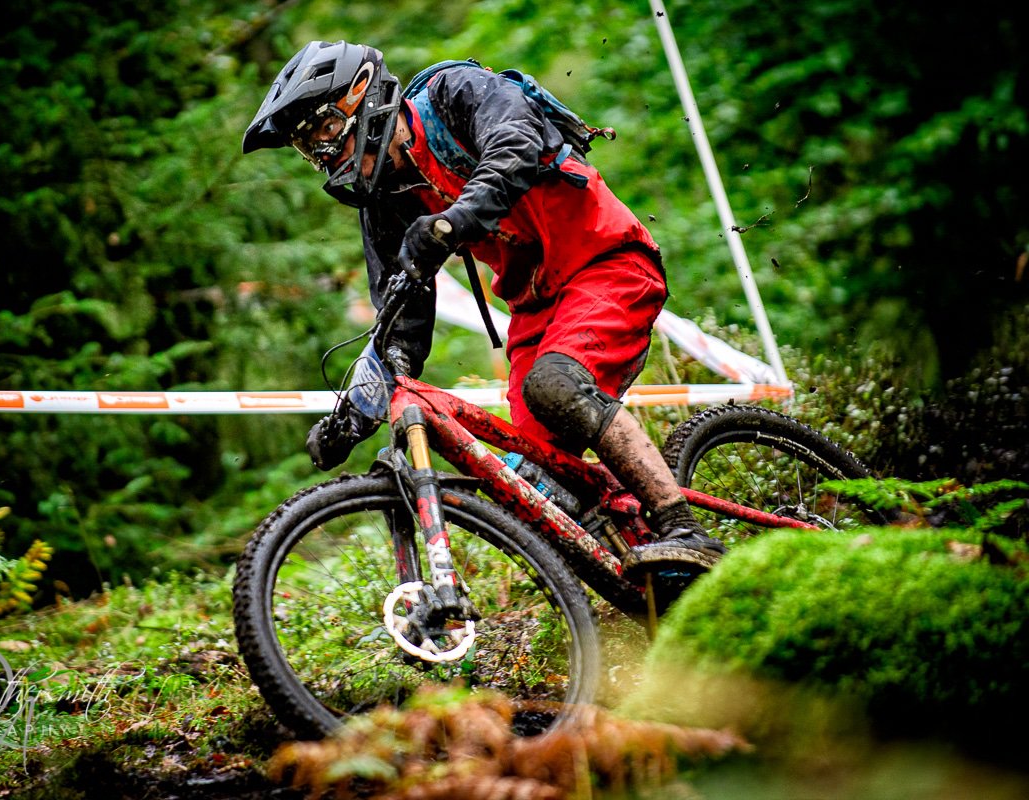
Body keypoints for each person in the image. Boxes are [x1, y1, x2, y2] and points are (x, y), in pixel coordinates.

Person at [242, 41, 725, 572]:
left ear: (364, 97)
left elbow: (515, 145)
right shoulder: (386, 196)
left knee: (556, 388)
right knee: (532, 484)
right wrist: (354, 414)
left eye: (326, 130)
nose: (325, 154)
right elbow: (399, 321)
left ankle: (685, 528)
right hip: (536, 308)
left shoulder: (453, 93)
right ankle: (646, 570)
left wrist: (452, 223)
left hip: (606, 260)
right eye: (310, 148)